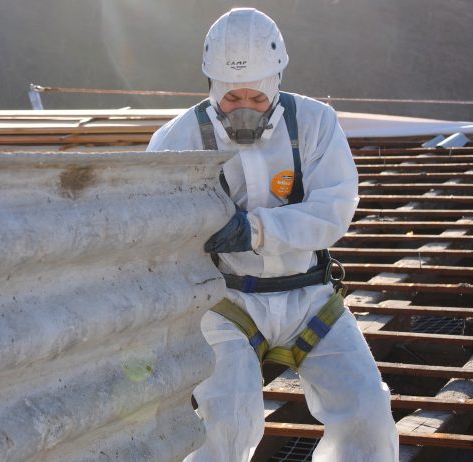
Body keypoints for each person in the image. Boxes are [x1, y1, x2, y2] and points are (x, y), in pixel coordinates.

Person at [146, 8, 398, 462]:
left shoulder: (316, 125)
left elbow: (334, 209)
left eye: (258, 99)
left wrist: (254, 230)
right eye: (232, 97)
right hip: (226, 302)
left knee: (368, 409)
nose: (244, 108)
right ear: (211, 87)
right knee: (227, 421)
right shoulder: (178, 138)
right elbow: (157, 224)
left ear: (277, 80)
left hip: (311, 298)